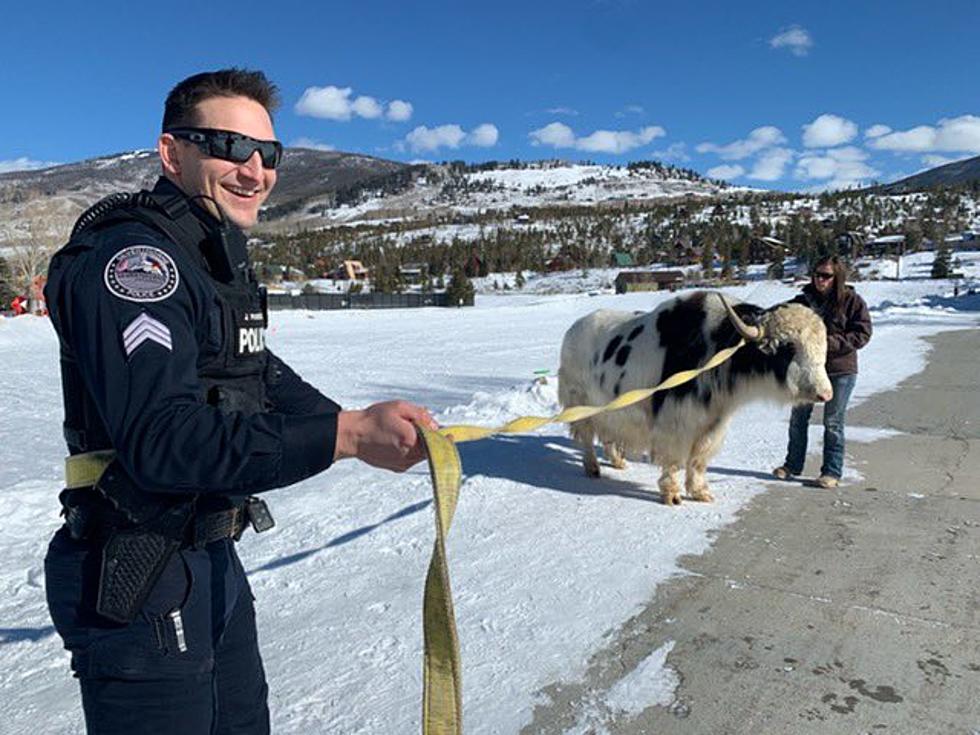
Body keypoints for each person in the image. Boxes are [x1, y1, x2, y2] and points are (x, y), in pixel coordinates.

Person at [43, 69, 437, 735]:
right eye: (229, 145)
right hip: (139, 571)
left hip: (208, 556)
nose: (254, 169)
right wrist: (341, 435)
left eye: (268, 154)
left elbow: (252, 369)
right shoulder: (138, 262)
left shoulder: (206, 257)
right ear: (173, 154)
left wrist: (361, 426)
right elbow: (162, 440)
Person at [773, 255, 872, 488]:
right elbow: (782, 320)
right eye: (817, 274)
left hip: (840, 370)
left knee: (833, 422)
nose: (820, 280)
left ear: (836, 277)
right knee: (798, 419)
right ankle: (792, 465)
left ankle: (831, 472)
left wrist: (826, 343)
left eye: (826, 276)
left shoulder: (852, 301)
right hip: (806, 371)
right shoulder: (802, 301)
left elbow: (863, 333)